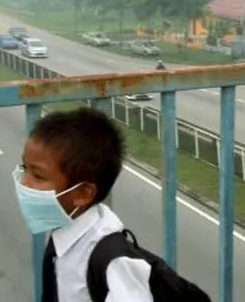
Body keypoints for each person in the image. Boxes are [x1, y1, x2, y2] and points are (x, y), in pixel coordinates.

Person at [13, 107, 153, 301]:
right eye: (24, 168)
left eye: (38, 176)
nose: (24, 183)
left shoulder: (112, 262)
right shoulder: (67, 232)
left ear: (83, 193)